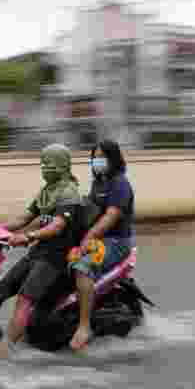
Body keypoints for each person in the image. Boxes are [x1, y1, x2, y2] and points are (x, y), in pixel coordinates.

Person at [0, 144, 84, 358]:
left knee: (24, 299)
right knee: (1, 290)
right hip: (38, 252)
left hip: (56, 257)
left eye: (48, 163)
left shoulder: (69, 192)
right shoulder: (46, 192)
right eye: (42, 163)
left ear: (61, 165)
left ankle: (5, 348)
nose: (44, 167)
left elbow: (57, 226)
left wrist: (28, 236)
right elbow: (23, 219)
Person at [68, 139, 135, 351]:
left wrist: (88, 238)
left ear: (113, 159)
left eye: (101, 158)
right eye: (94, 158)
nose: (96, 162)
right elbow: (89, 208)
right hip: (97, 238)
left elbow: (110, 216)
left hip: (115, 241)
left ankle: (84, 326)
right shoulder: (99, 182)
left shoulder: (119, 183)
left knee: (82, 267)